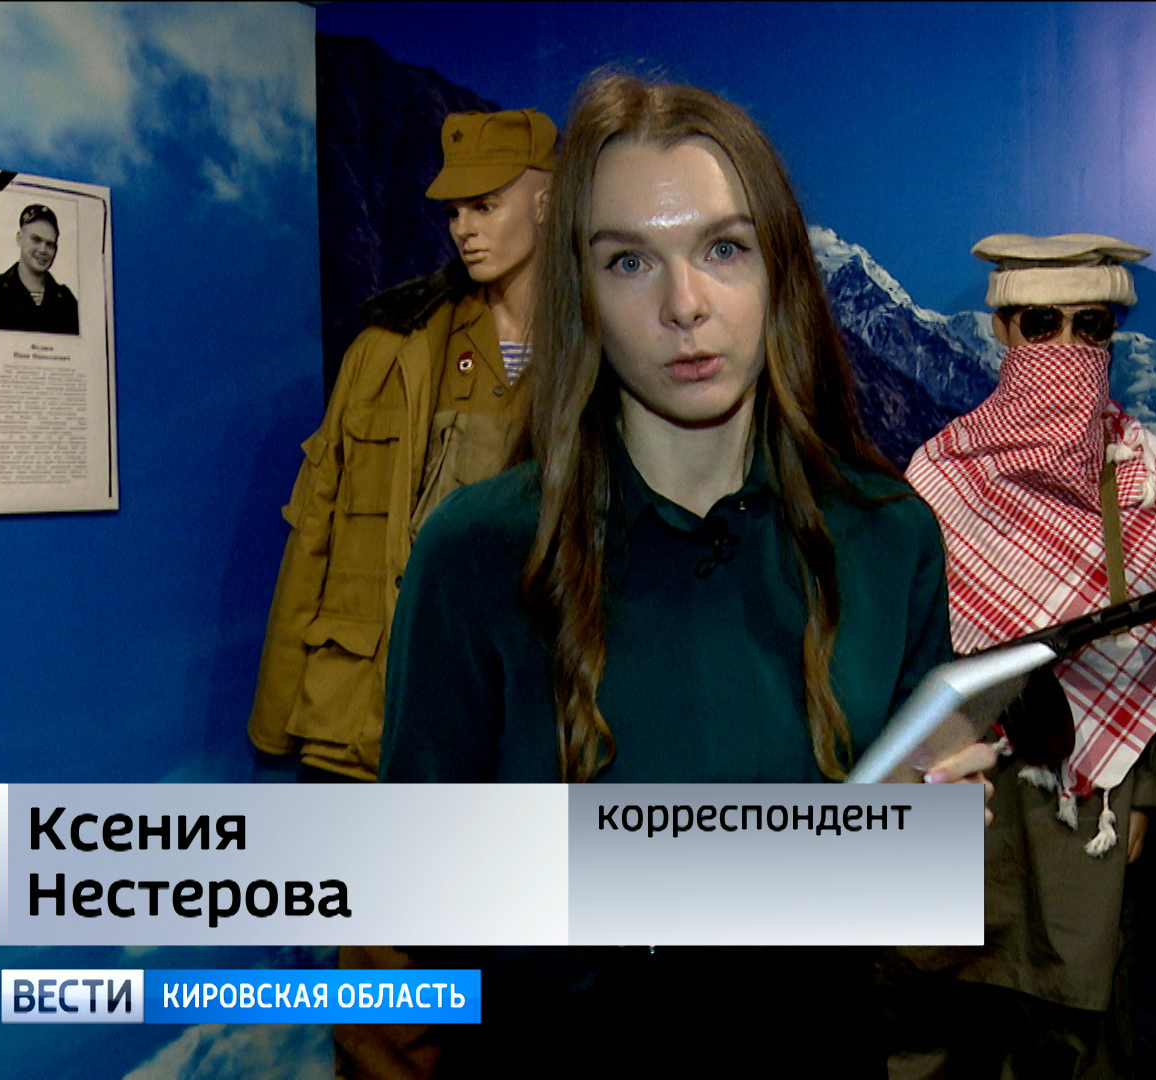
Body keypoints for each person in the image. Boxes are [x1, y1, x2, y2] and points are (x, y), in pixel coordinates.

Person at [379, 74, 995, 1074]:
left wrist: (929, 848)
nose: (684, 305)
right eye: (629, 261)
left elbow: (914, 922)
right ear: (580, 294)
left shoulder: (890, 539)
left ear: (780, 271)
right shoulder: (477, 553)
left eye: (723, 249)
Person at [892, 234, 1156, 1078]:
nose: (1068, 347)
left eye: (1092, 326)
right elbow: (902, 654)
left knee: (1075, 1037)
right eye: (1043, 324)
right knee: (938, 1026)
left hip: (1089, 806)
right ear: (1003, 329)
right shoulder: (938, 476)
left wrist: (1151, 793)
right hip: (967, 797)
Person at [248, 108, 556, 784]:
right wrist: (275, 713)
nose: (464, 229)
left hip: (505, 736)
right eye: (453, 212)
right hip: (358, 727)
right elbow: (315, 532)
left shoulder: (596, 362)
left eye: (484, 205)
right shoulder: (387, 353)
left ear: (546, 203)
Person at [0, 203, 79, 335]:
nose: (43, 249)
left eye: (50, 244)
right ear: (19, 238)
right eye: (36, 240)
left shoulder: (66, 300)